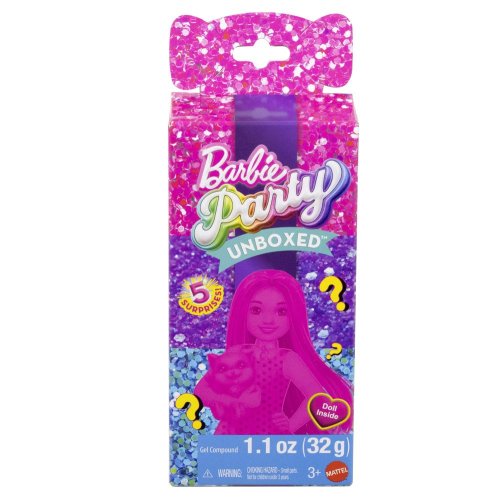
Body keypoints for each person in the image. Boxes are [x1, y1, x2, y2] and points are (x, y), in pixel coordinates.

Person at [195, 269, 353, 434]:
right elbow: (201, 391)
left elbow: (316, 396)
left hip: (269, 434)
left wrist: (291, 424)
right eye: (256, 310)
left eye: (281, 312)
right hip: (230, 434)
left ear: (293, 315)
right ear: (243, 312)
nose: (268, 320)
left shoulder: (287, 359)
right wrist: (229, 401)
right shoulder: (237, 352)